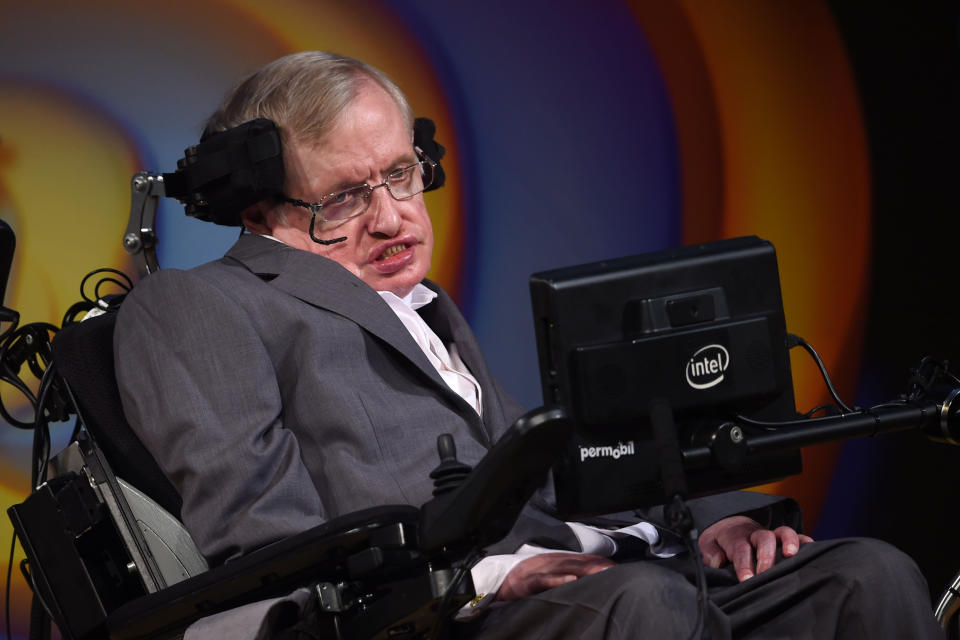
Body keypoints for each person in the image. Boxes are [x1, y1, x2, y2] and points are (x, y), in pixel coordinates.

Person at [114, 51, 942, 638]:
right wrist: (488, 578)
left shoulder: (420, 308)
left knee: (866, 578)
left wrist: (721, 520)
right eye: (343, 197)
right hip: (454, 613)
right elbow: (270, 549)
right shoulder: (199, 305)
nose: (394, 216)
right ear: (261, 213)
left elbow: (564, 472)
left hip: (619, 579)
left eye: (402, 175)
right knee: (648, 607)